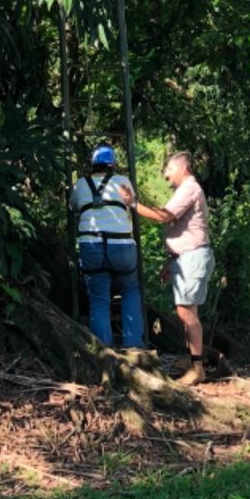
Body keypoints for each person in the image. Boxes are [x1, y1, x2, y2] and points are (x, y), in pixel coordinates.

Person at [122, 151, 214, 386]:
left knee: (186, 313)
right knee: (186, 311)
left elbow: (164, 216)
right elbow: (180, 228)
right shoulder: (185, 190)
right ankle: (192, 359)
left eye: (169, 170)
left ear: (183, 168)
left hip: (192, 258)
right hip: (184, 258)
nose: (166, 175)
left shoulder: (189, 189)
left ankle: (197, 368)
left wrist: (133, 203)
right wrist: (170, 263)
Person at [69, 145, 145, 350]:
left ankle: (104, 350)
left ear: (93, 165)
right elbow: (131, 205)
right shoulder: (122, 181)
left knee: (99, 299)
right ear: (112, 165)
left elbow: (74, 207)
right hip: (122, 246)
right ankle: (134, 345)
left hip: (91, 245)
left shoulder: (80, 185)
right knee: (130, 290)